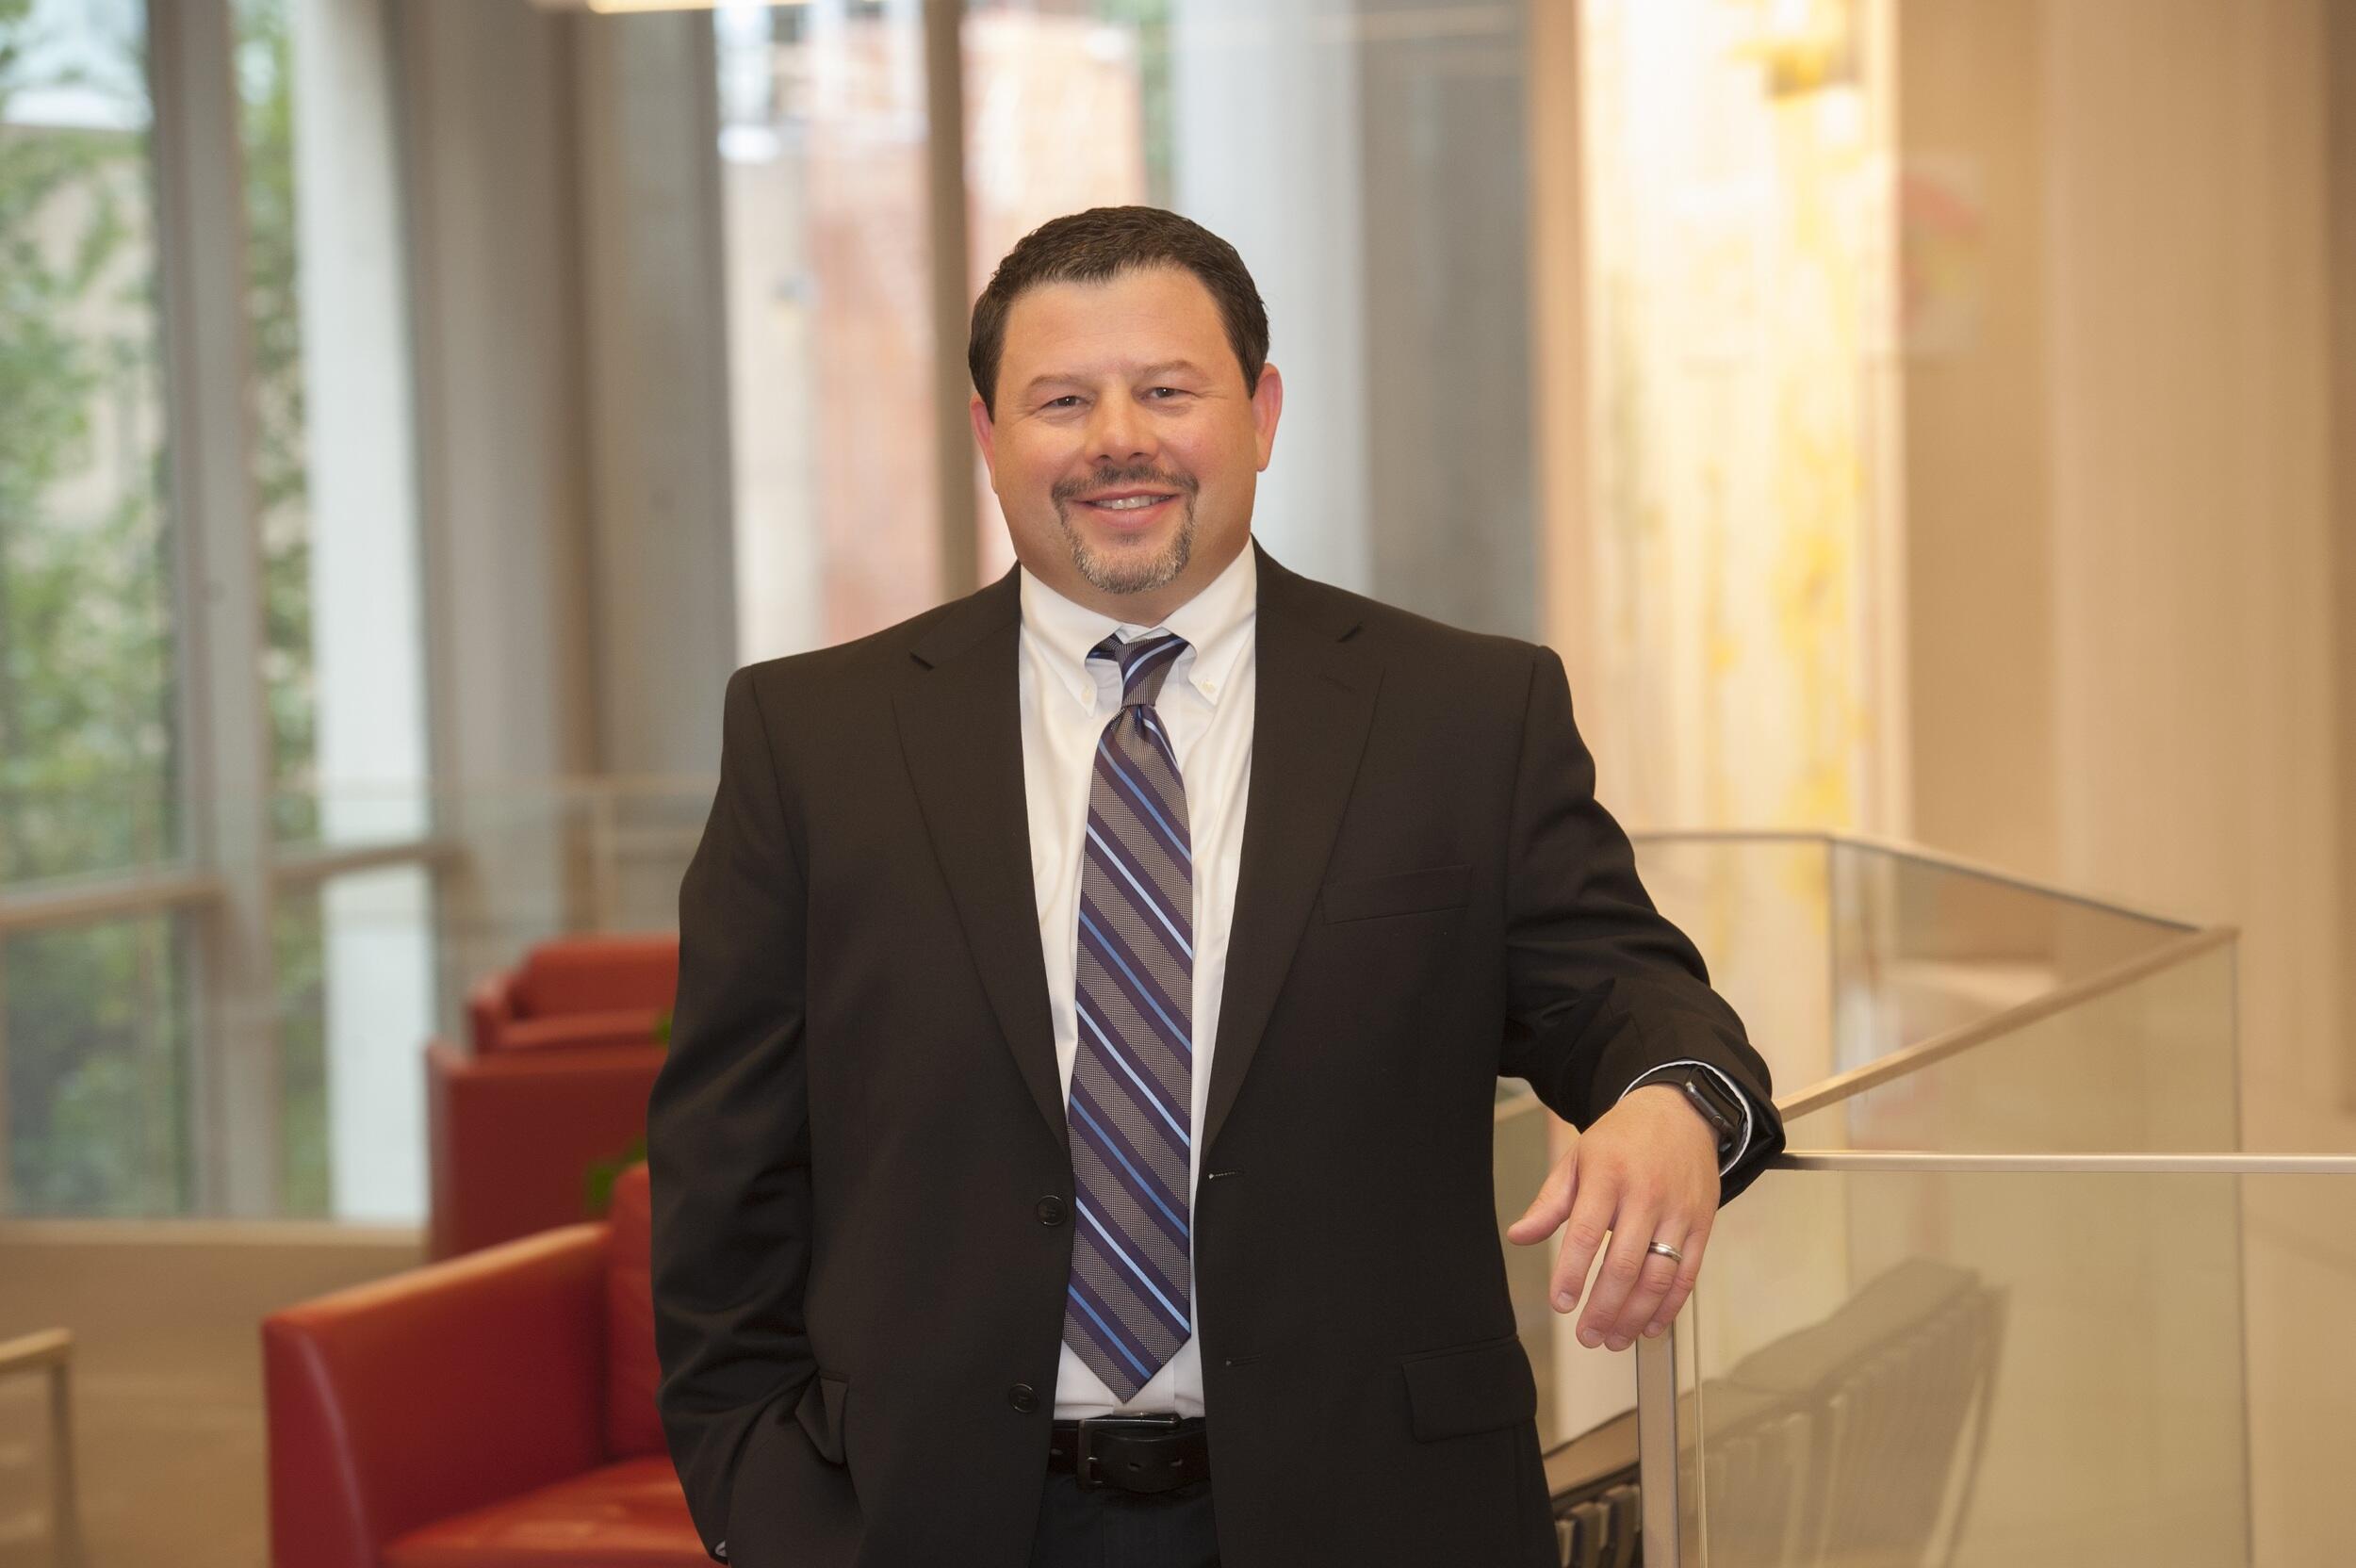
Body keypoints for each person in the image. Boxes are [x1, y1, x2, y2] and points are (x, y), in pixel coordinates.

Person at [647, 204, 1783, 1568]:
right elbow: (726, 1175)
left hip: (1376, 1513)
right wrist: (769, 1512)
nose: (1116, 436)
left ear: (1260, 411)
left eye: (1167, 391)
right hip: (929, 1519)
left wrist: (1672, 1099)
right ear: (988, 438)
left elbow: (1625, 990)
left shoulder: (1463, 716)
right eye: (1062, 399)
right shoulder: (814, 739)